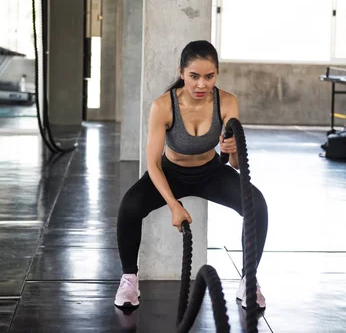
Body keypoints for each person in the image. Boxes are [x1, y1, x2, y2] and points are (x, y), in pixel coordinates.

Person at [114, 40, 268, 310]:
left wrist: (231, 151)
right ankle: (129, 279)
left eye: (209, 77)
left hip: (211, 173)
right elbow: (152, 164)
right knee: (129, 206)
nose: (201, 85)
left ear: (216, 74)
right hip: (170, 173)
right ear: (182, 72)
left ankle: (249, 279)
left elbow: (235, 165)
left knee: (257, 204)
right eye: (194, 76)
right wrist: (174, 205)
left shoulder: (227, 101)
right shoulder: (163, 106)